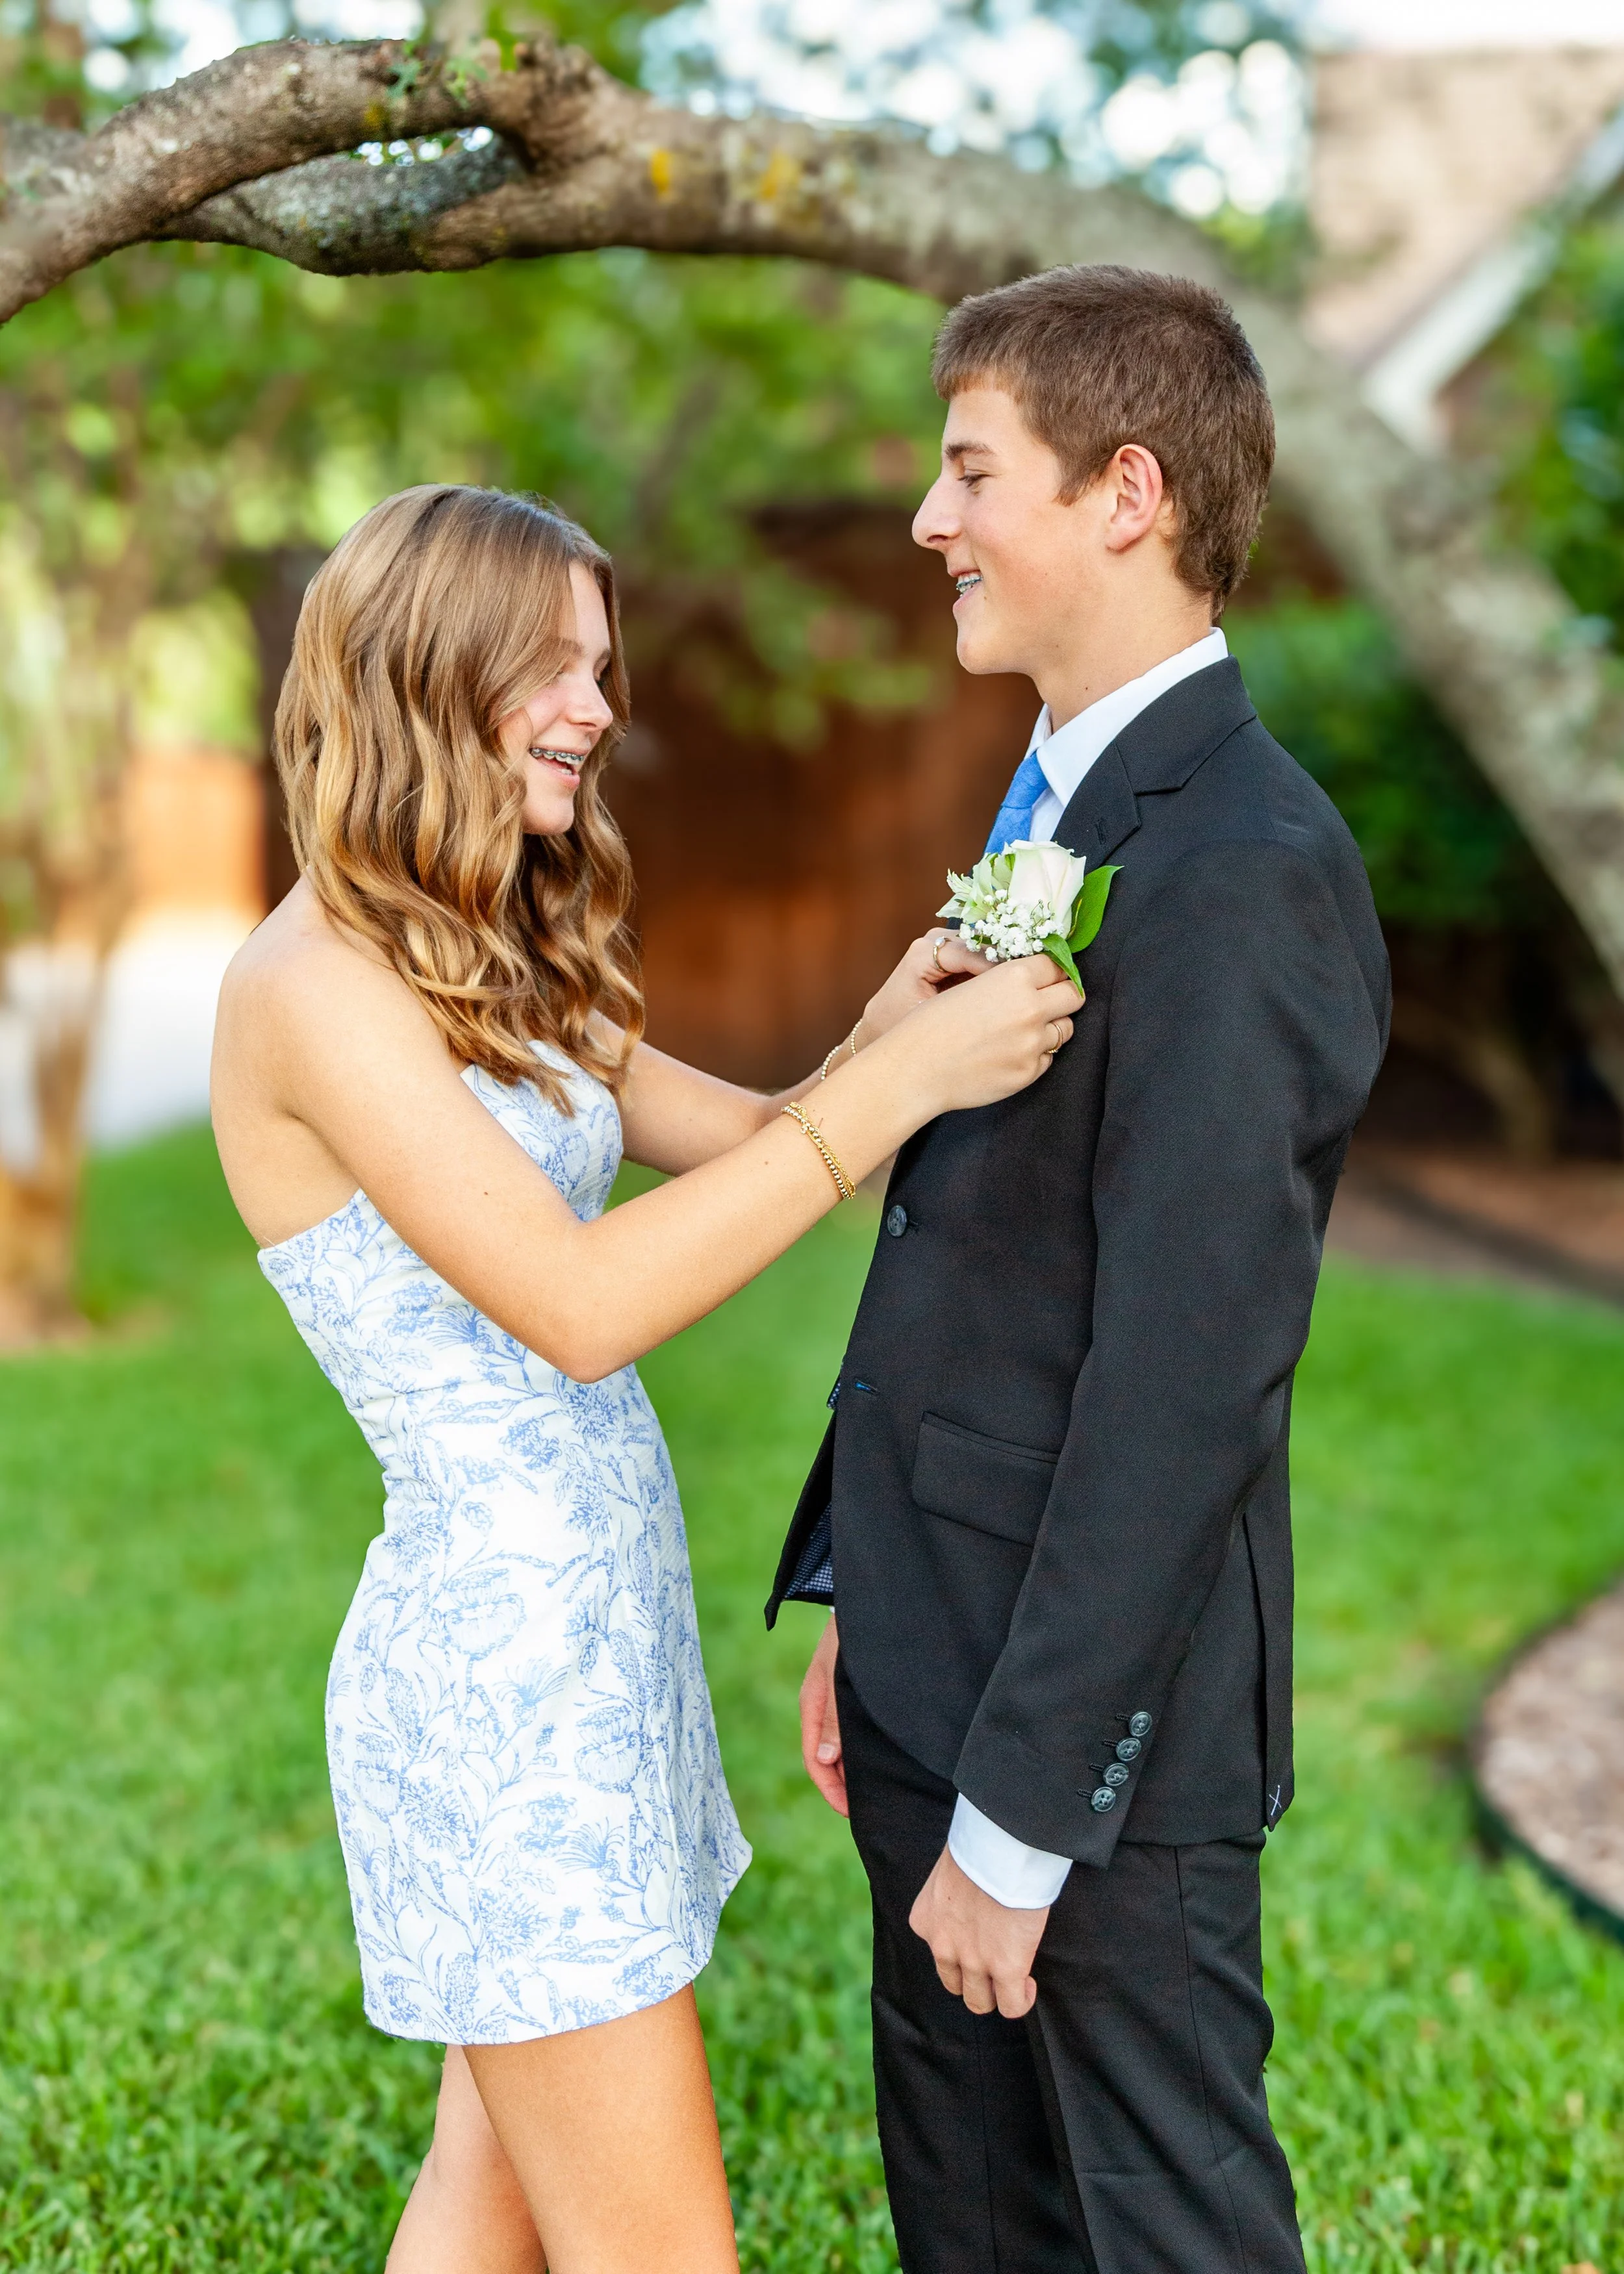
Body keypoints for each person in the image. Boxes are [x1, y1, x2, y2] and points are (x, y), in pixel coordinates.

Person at [209, 481, 1082, 2274]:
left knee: (489, 2210)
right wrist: (890, 1094)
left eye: (600, 666)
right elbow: (580, 1304)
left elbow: (757, 1142)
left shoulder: (489, 953)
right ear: (418, 672)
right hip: (500, 1693)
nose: (598, 707)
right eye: (553, 666)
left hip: (597, 1647)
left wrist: (881, 1032)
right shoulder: (307, 984)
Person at [773, 264, 1391, 2273]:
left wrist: (1020, 1822)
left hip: (1093, 1762)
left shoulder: (1244, 864)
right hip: (939, 1660)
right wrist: (875, 1601)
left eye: (970, 471)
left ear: (1125, 491)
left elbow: (1182, 1372)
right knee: (974, 2226)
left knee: (1161, 2228)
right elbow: (982, 1259)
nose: (930, 521)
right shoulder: (1058, 803)